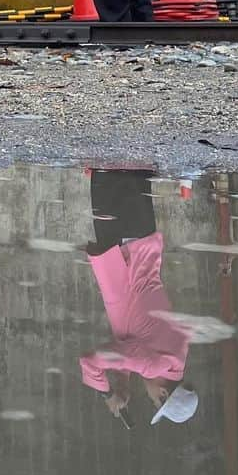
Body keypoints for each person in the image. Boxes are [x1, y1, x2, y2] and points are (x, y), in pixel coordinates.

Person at [79, 166, 199, 428]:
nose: (150, 397)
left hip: (141, 238)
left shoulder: (175, 355)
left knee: (132, 165)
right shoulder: (155, 365)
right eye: (155, 401)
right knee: (108, 165)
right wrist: (106, 393)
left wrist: (122, 381)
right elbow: (91, 361)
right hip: (122, 246)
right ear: (164, 393)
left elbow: (130, 344)